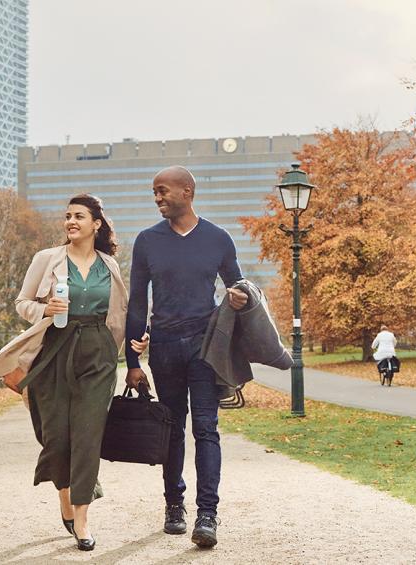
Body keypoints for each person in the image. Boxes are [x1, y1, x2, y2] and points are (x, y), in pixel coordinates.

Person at [0, 194, 128, 552]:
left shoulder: (110, 266)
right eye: (67, 216)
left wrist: (127, 346)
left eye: (79, 216)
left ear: (96, 224)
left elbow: (119, 314)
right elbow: (21, 302)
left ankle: (83, 518)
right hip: (54, 352)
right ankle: (64, 496)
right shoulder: (46, 259)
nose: (71, 222)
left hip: (98, 356)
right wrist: (44, 310)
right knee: (57, 435)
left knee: (88, 435)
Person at [125, 166, 247, 549]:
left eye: (163, 191)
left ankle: (207, 514)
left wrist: (240, 299)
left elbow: (236, 287)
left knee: (206, 428)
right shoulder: (146, 241)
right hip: (163, 345)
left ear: (187, 192)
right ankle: (173, 504)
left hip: (204, 346)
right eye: (153, 192)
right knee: (172, 427)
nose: (157, 197)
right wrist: (132, 363)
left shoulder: (218, 239)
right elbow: (136, 303)